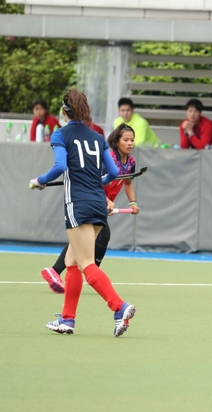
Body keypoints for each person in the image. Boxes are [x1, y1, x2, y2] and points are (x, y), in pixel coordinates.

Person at [29, 89, 136, 337]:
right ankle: (67, 319)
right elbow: (113, 173)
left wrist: (40, 180)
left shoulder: (60, 134)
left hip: (77, 203)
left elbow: (60, 166)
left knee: (86, 263)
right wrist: (98, 181)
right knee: (72, 262)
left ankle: (119, 307)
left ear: (64, 111)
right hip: (99, 202)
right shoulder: (97, 137)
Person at [40, 123, 141, 294]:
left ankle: (62, 271)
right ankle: (86, 271)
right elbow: (95, 183)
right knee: (100, 236)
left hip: (101, 203)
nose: (130, 143)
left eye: (132, 140)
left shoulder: (130, 162)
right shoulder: (109, 160)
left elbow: (128, 182)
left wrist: (133, 202)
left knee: (87, 238)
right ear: (117, 142)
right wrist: (106, 201)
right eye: (126, 140)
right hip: (93, 198)